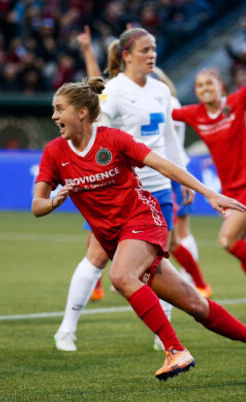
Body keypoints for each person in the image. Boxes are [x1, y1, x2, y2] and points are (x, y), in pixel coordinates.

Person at [33, 77, 246, 380]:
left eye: (59, 109)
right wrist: (54, 200)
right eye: (53, 110)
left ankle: (175, 350)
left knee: (120, 276)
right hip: (114, 239)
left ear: (81, 113)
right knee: (195, 305)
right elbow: (36, 205)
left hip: (142, 218)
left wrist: (209, 193)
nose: (54, 117)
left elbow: (163, 164)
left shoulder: (114, 139)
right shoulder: (54, 152)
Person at [53, 26, 212, 352]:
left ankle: (162, 333)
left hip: (160, 190)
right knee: (96, 257)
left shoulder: (161, 92)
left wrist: (182, 177)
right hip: (119, 194)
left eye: (154, 49)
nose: (151, 55)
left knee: (160, 260)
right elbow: (99, 138)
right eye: (144, 50)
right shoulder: (112, 92)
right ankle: (66, 329)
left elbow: (169, 139)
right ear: (126, 56)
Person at [172, 14, 246, 321]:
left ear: (220, 85)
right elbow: (163, 109)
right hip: (231, 190)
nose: (203, 88)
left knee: (227, 241)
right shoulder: (195, 113)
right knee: (244, 254)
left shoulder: (237, 103)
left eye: (208, 82)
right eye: (199, 85)